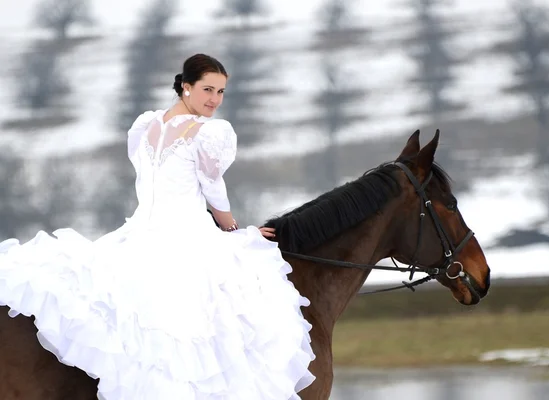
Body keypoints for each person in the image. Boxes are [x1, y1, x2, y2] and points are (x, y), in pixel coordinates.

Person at [0, 53, 315, 399]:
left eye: (221, 92)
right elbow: (212, 186)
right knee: (226, 318)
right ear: (185, 86)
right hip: (183, 237)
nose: (215, 100)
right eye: (207, 89)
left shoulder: (146, 126)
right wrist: (234, 229)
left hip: (139, 234)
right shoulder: (208, 132)